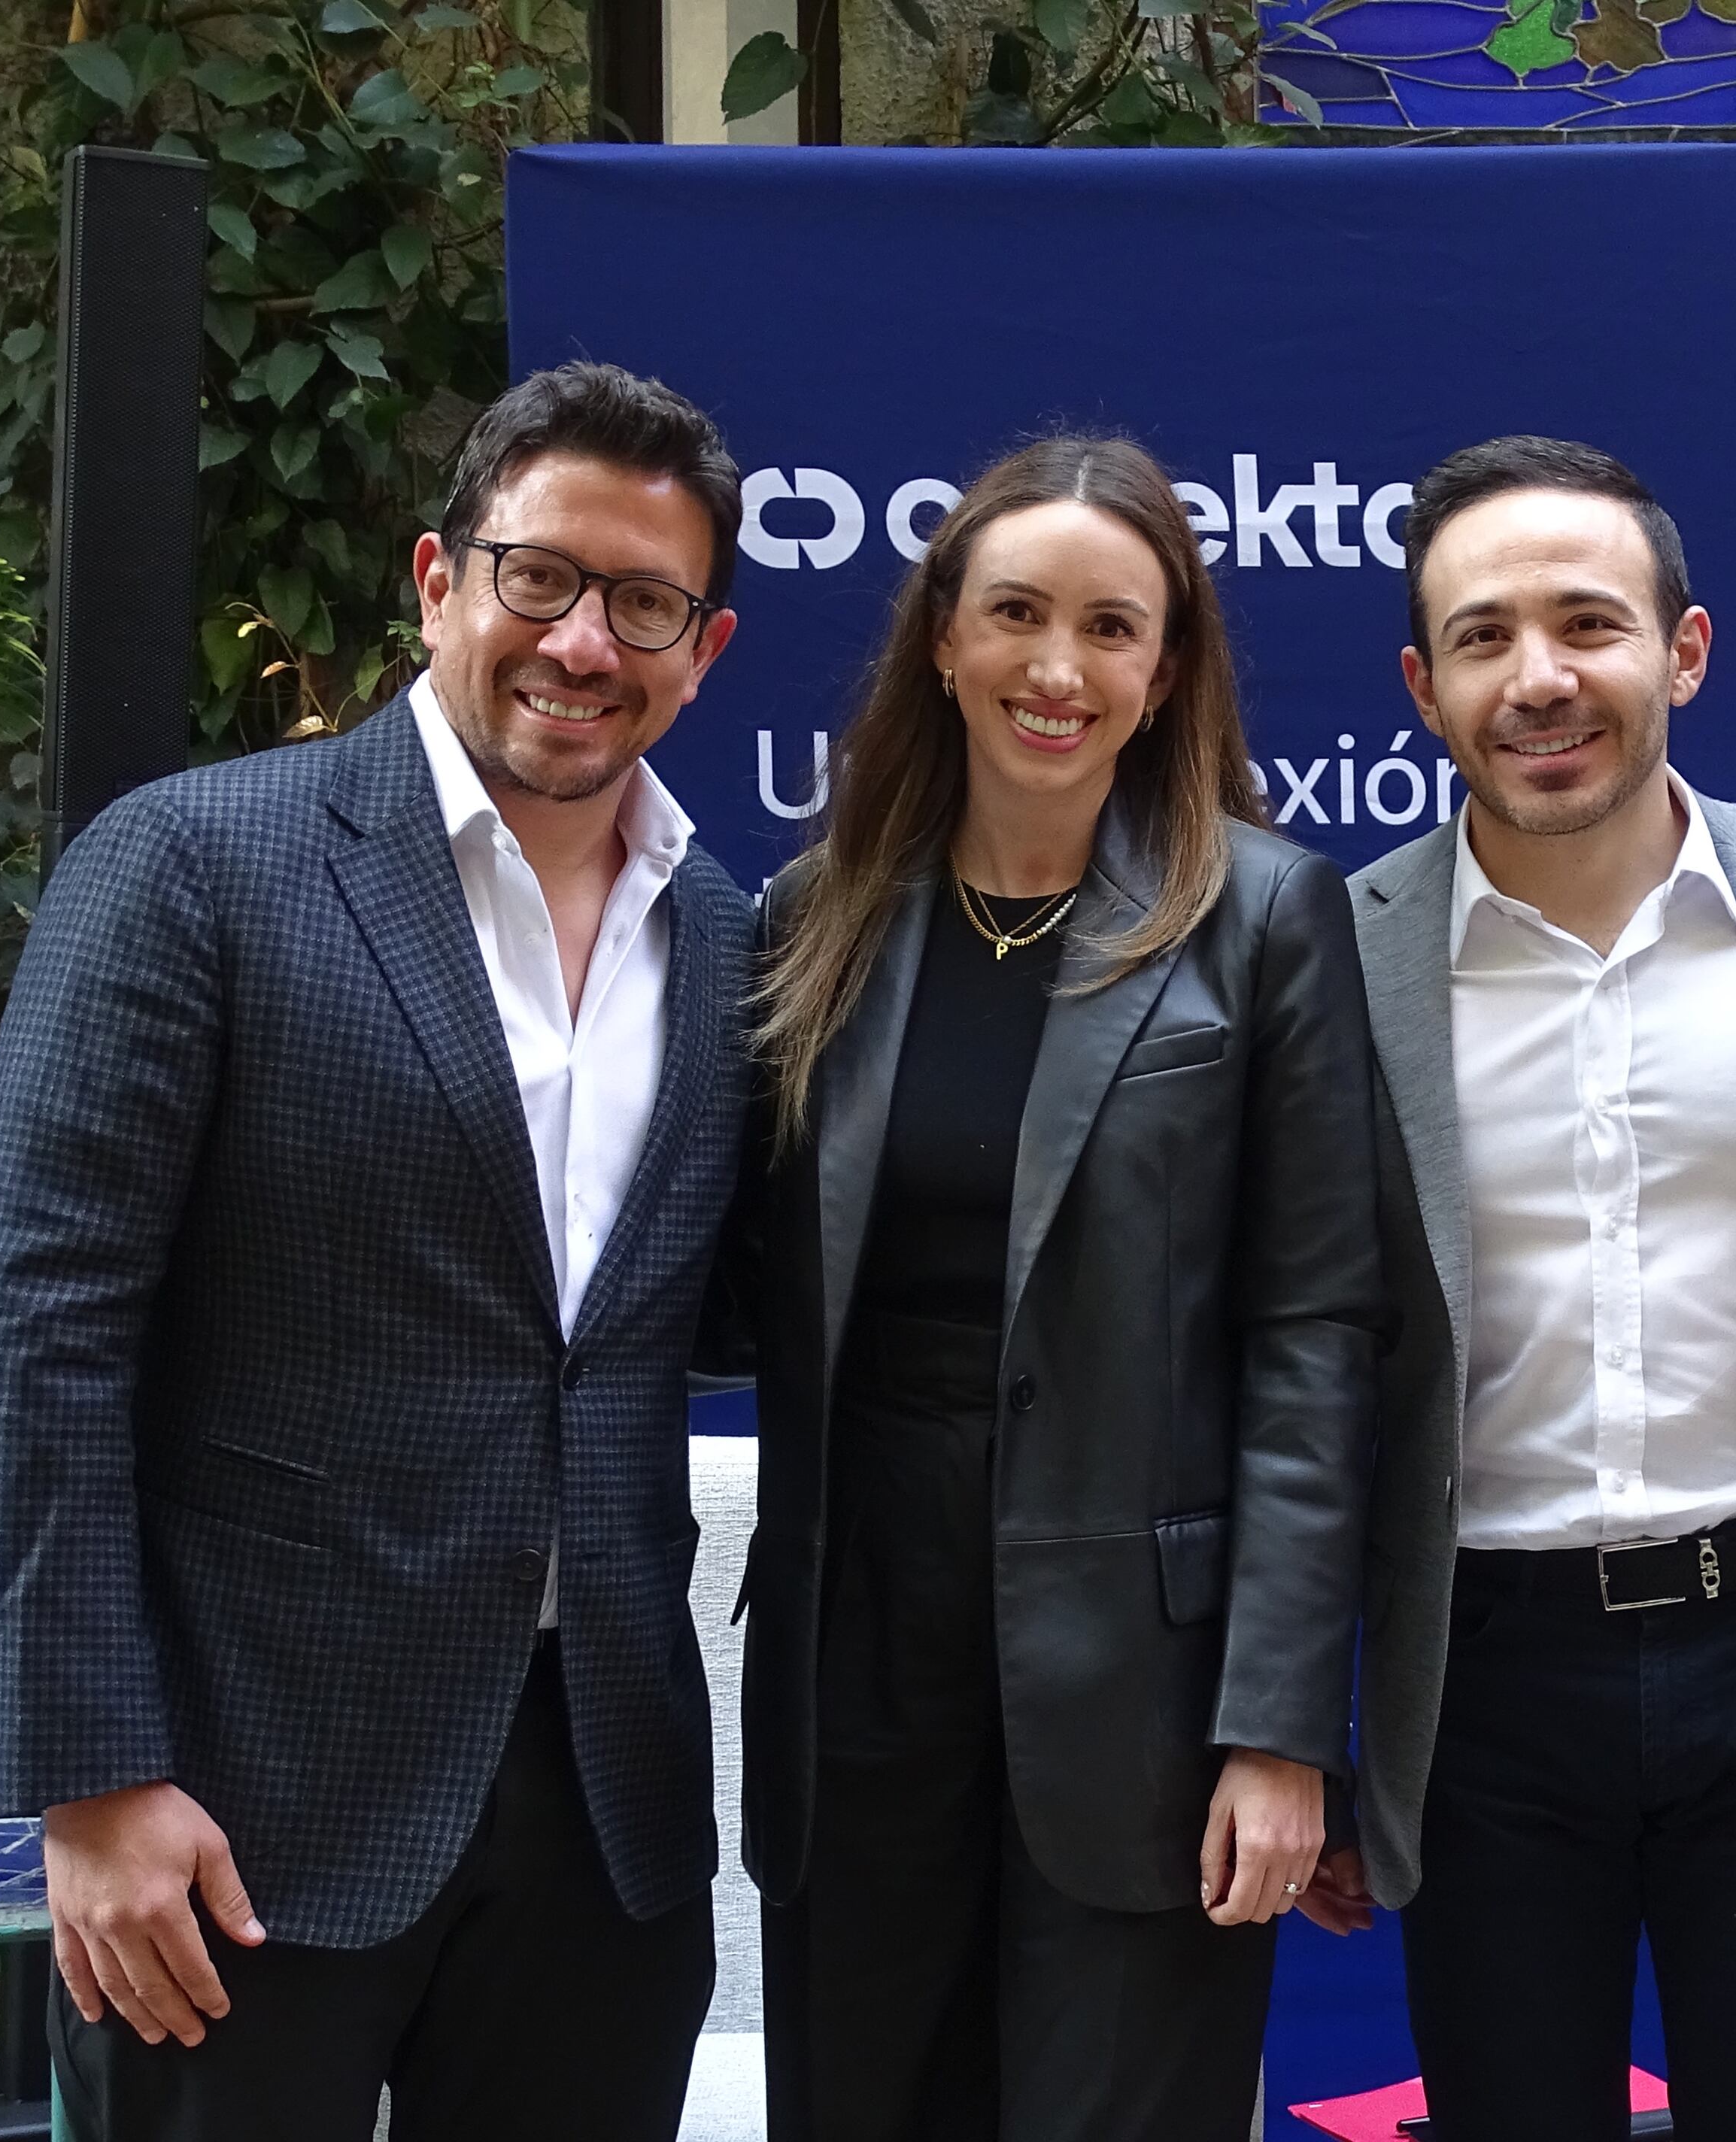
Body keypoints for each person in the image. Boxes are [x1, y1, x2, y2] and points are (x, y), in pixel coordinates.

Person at [0, 360, 751, 2140]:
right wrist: (95, 1777)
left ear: (704, 650)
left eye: (643, 603)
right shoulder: (194, 865)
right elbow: (34, 1332)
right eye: (541, 576)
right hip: (240, 1805)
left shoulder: (727, 939)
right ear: (439, 579)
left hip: (602, 1807)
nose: (584, 641)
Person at [1313, 435, 1736, 2142]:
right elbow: (1282, 1361)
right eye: (1482, 636)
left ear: (1682, 651)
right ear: (1421, 685)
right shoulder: (1330, 954)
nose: (1538, 677)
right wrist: (1284, 1716)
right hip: (1481, 1683)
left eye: (1587, 623)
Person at [708, 434, 1382, 2142]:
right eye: (1015, 612)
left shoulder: (1266, 916)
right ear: (944, 636)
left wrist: (1281, 1726)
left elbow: (1313, 1339)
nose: (1056, 667)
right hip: (859, 1664)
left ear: (1165, 670)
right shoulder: (815, 915)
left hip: (1146, 1697)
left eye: (1109, 626)